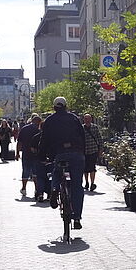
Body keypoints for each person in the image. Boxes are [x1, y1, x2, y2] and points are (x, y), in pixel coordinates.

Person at [38, 97, 85, 229]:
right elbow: (82, 136)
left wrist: (42, 156)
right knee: (77, 185)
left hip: (59, 153)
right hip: (76, 153)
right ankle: (77, 218)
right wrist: (83, 153)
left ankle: (54, 189)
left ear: (54, 107)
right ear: (66, 106)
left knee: (57, 173)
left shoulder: (50, 120)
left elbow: (44, 140)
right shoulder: (74, 118)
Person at [18, 114, 46, 200]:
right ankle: (37, 189)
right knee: (36, 173)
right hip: (37, 155)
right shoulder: (41, 130)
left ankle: (24, 188)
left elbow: (19, 142)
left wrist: (17, 153)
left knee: (25, 171)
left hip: (26, 153)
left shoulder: (24, 129)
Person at [80, 113, 103, 192]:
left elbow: (99, 138)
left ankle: (92, 183)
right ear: (83, 120)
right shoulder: (81, 128)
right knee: (85, 168)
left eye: (89, 118)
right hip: (84, 151)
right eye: (85, 119)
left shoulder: (95, 127)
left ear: (91, 119)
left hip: (93, 150)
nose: (87, 120)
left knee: (92, 167)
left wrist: (100, 149)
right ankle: (86, 182)